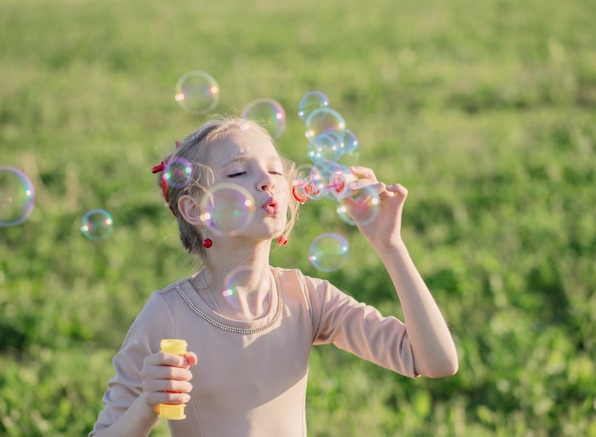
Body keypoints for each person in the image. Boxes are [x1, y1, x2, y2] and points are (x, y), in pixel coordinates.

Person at [89, 116, 458, 437]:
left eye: (276, 170)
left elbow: (436, 362)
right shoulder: (167, 316)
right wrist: (147, 406)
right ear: (195, 209)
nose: (267, 181)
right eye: (238, 172)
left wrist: (390, 246)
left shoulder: (307, 299)